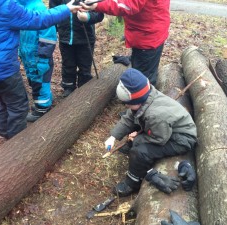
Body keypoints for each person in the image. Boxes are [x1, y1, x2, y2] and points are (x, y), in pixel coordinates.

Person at [0, 0, 81, 139]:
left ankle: (3, 133)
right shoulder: (6, 6)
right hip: (5, 68)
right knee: (18, 106)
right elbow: (39, 19)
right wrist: (66, 9)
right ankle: (16, 142)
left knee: (3, 100)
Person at [104, 68, 197, 197]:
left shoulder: (155, 115)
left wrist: (137, 140)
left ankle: (132, 182)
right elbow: (129, 117)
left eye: (128, 104)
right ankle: (133, 145)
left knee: (139, 152)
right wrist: (113, 137)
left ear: (136, 101)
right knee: (135, 127)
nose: (126, 107)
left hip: (180, 139)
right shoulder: (146, 98)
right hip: (163, 129)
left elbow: (160, 139)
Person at [81, 0, 170, 86]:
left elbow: (128, 5)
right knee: (140, 70)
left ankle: (144, 98)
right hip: (146, 32)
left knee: (143, 78)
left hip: (148, 36)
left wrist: (98, 5)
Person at [50, 0, 104, 97]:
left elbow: (99, 14)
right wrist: (54, 30)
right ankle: (68, 87)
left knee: (85, 65)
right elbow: (53, 11)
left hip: (85, 36)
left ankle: (84, 89)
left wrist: (87, 17)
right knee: (68, 63)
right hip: (65, 37)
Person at [17, 0, 58, 122]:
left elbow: (48, 36)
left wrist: (43, 58)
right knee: (33, 80)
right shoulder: (20, 7)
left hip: (38, 57)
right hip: (28, 55)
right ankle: (45, 100)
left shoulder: (38, 8)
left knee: (40, 82)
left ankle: (42, 108)